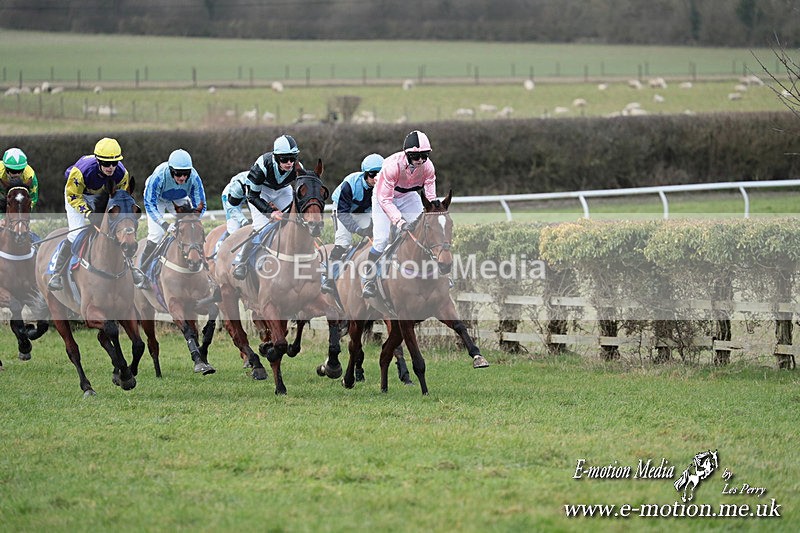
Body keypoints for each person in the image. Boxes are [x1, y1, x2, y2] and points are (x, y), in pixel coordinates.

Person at [48, 137, 132, 291]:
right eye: (106, 163)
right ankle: (56, 273)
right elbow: (73, 195)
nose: (111, 167)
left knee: (117, 231)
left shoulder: (122, 173)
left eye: (114, 163)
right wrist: (87, 213)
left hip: (101, 197)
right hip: (77, 195)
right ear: (98, 161)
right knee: (76, 234)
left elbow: (119, 198)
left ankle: (131, 268)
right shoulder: (82, 171)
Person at [362, 130, 437, 298]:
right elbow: (386, 200)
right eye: (416, 157)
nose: (421, 161)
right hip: (383, 197)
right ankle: (369, 279)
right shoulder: (392, 166)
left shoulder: (428, 167)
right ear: (407, 154)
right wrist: (400, 222)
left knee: (426, 230)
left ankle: (437, 273)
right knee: (381, 241)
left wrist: (434, 209)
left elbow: (430, 196)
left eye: (424, 156)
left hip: (409, 195)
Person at [231, 134, 304, 280]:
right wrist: (270, 212)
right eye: (284, 159)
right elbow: (252, 196)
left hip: (283, 191)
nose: (289, 163)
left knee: (295, 221)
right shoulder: (262, 166)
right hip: (260, 193)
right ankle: (241, 261)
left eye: (292, 158)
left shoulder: (298, 168)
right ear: (276, 157)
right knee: (262, 227)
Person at [135, 148, 207, 289]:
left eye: (186, 174)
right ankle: (141, 273)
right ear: (171, 171)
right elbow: (149, 204)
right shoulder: (159, 177)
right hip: (157, 200)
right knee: (156, 235)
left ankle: (206, 268)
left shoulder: (194, 178)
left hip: (178, 198)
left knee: (193, 230)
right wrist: (165, 225)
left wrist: (191, 220)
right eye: (178, 174)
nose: (182, 178)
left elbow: (200, 205)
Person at [320, 153, 383, 294]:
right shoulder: (350, 183)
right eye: (373, 175)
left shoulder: (383, 186)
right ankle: (328, 278)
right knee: (343, 241)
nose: (376, 179)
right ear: (365, 174)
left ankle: (373, 277)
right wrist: (357, 229)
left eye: (380, 175)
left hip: (363, 211)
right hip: (343, 210)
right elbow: (343, 213)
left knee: (378, 237)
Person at [0, 148, 39, 213]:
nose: (17, 174)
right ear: (5, 168)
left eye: (20, 171)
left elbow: (33, 199)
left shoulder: (30, 175)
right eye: (13, 171)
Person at [220, 170, 253, 235]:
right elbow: (232, 207)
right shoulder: (238, 186)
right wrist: (243, 221)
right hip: (230, 197)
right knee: (234, 227)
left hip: (248, 194)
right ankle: (223, 242)